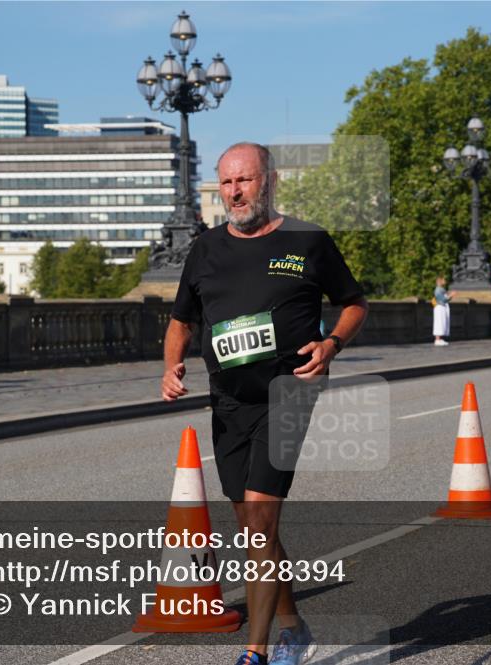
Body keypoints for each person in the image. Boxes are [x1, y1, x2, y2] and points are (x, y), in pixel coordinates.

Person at [162, 142, 369, 665]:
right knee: (255, 527)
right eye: (226, 182)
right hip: (230, 400)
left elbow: (354, 304)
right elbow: (181, 320)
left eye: (245, 181)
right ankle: (294, 628)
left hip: (290, 390)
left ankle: (255, 653)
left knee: (259, 519)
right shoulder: (205, 249)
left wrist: (331, 344)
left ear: (269, 181)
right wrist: (171, 365)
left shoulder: (308, 239)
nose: (235, 192)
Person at [432, 275, 454, 346]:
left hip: (441, 307)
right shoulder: (438, 290)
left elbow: (446, 299)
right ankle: (437, 339)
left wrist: (450, 296)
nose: (445, 281)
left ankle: (439, 339)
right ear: (440, 281)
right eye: (443, 280)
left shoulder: (441, 289)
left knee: (441, 322)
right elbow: (443, 299)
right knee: (439, 322)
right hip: (439, 307)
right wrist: (451, 295)